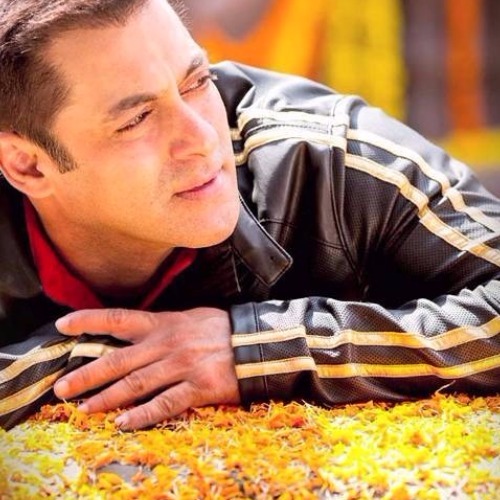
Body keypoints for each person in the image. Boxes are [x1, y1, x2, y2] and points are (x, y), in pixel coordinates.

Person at [0, 0, 498, 431]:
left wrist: (257, 348)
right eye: (137, 119)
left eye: (197, 82)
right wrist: (91, 355)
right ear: (26, 164)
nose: (202, 139)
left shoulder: (333, 161)